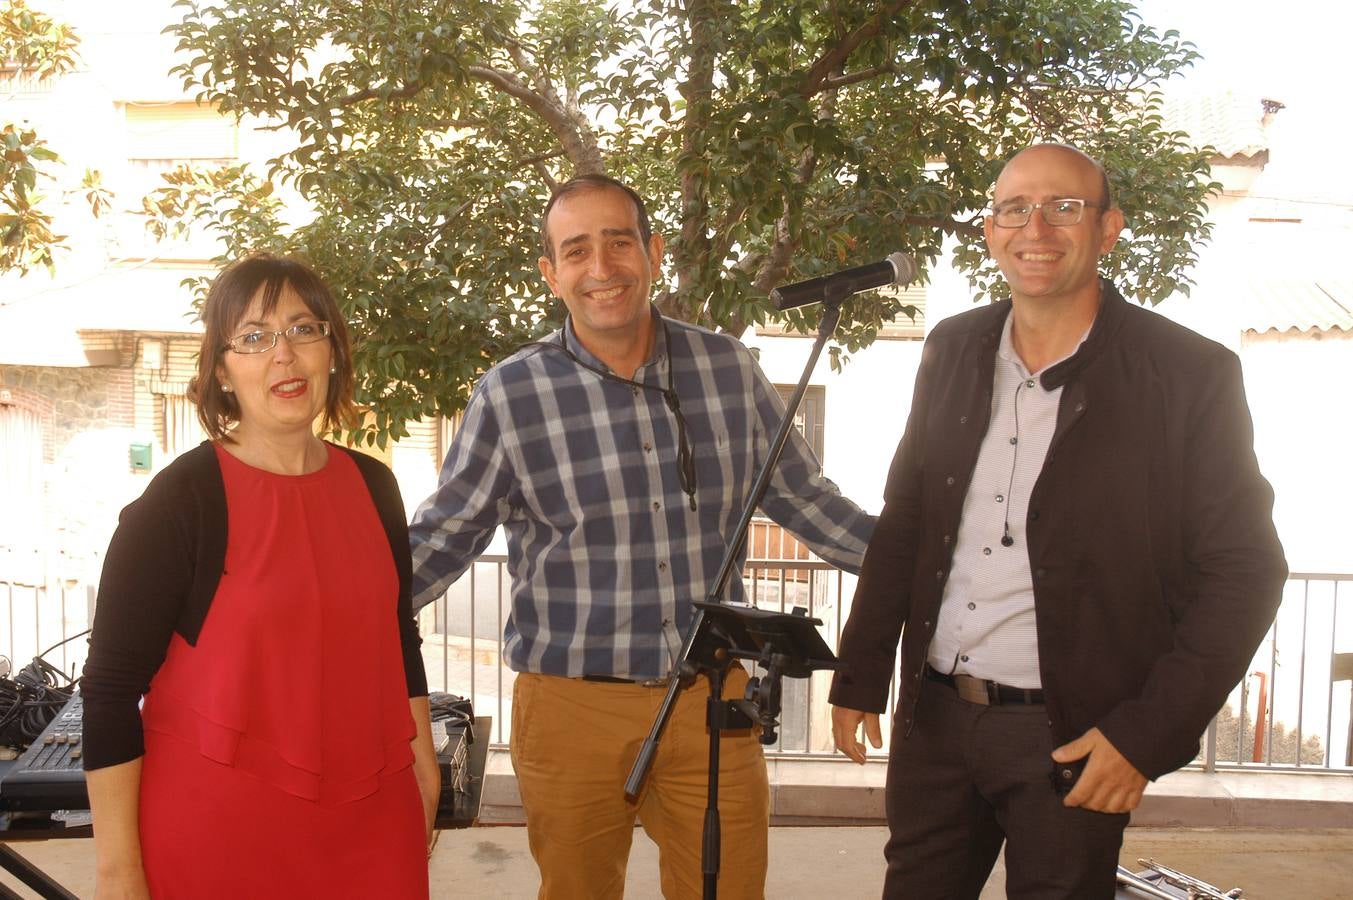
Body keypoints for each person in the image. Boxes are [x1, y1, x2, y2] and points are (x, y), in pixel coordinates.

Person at [829, 144, 1287, 898]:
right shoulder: (951, 346)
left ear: (1107, 229)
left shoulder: (1184, 373)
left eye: (1063, 207)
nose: (1034, 228)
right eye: (1014, 208)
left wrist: (1143, 736)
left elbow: (1245, 571)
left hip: (1073, 733)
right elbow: (909, 517)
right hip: (936, 718)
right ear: (989, 229)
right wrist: (860, 673)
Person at [409, 173, 875, 899]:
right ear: (551, 272)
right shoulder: (511, 392)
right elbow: (443, 538)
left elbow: (800, 498)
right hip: (571, 706)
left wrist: (922, 564)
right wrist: (336, 615)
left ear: (653, 252)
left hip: (711, 696)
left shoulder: (727, 369)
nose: (601, 268)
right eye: (576, 250)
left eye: (619, 242)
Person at [81, 254, 440, 899]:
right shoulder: (180, 503)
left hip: (374, 819)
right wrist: (118, 870)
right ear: (222, 369)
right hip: (218, 831)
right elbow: (109, 692)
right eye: (254, 337)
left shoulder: (375, 487)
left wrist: (425, 767)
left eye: (305, 329)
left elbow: (396, 634)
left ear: (332, 348)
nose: (285, 354)